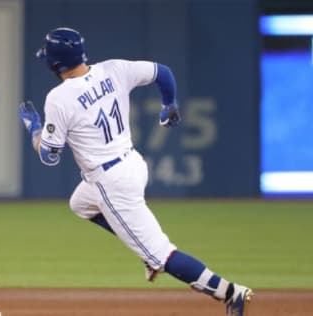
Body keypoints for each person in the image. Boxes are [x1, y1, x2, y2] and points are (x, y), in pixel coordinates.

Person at [19, 27, 253, 316]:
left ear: (54, 64)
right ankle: (144, 248)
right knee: (80, 204)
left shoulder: (59, 97)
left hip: (111, 182)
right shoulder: (113, 69)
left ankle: (230, 292)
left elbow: (49, 156)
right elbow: (162, 72)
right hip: (132, 162)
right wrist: (170, 104)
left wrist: (33, 128)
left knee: (164, 255)